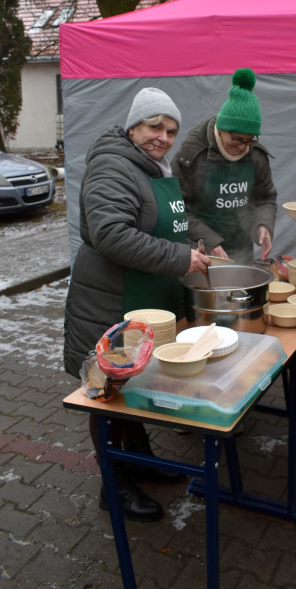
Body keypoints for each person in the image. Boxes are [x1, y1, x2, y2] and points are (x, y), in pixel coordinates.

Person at [64, 87, 210, 522]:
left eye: (170, 130)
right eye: (154, 126)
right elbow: (112, 234)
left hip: (143, 302)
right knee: (105, 391)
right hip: (110, 302)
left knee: (130, 386)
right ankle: (114, 484)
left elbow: (165, 226)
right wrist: (180, 258)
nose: (163, 137)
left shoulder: (153, 167)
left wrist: (197, 248)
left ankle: (138, 458)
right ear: (133, 126)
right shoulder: (113, 165)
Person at [172, 68, 277, 265]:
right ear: (221, 128)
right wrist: (208, 240)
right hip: (199, 253)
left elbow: (265, 198)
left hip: (241, 252)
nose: (242, 146)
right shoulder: (193, 155)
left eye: (249, 140)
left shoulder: (256, 155)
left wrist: (263, 225)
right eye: (236, 138)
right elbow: (176, 208)